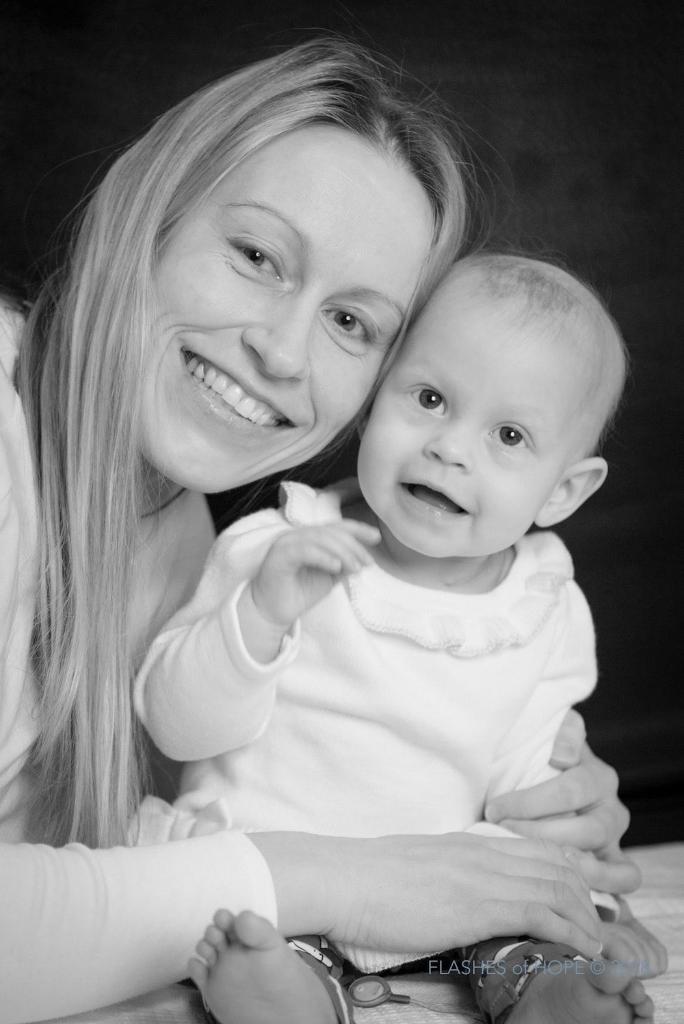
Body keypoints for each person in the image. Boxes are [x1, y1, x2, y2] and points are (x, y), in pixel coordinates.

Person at [0, 38, 637, 1024]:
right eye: (256, 256)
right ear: (146, 217)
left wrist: (540, 810)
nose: (282, 350)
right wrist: (330, 878)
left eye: (353, 323)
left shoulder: (175, 533)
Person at [136, 253, 667, 1024]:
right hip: (291, 877)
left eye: (509, 435)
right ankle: (286, 994)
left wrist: (588, 907)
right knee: (264, 937)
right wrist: (260, 616)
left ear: (563, 490)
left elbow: (534, 794)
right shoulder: (280, 549)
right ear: (374, 399)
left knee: (517, 936)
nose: (451, 447)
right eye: (429, 398)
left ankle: (547, 991)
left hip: (454, 908)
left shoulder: (543, 606)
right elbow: (178, 727)